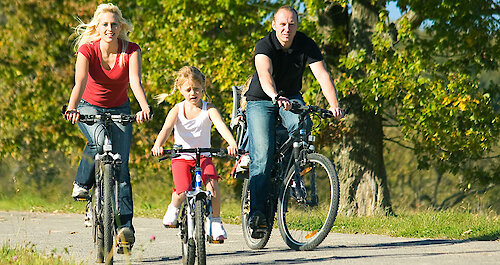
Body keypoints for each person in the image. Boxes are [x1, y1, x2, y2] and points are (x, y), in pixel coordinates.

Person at [244, 6, 344, 237]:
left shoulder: (306, 45)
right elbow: (264, 74)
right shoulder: (264, 45)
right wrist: (274, 96)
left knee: (304, 125)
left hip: (290, 97)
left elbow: (322, 75)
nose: (286, 29)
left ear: (297, 26)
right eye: (282, 24)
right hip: (261, 99)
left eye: (291, 24)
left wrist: (334, 105)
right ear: (274, 25)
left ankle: (291, 172)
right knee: (262, 154)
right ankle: (257, 213)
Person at [64, 3, 151, 250]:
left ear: (121, 26)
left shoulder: (131, 50)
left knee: (121, 168)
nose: (110, 28)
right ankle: (82, 183)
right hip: (88, 106)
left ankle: (125, 228)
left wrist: (144, 107)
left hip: (120, 109)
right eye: (105, 24)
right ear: (97, 27)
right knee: (98, 141)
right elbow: (79, 82)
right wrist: (72, 108)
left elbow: (135, 81)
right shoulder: (87, 50)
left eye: (114, 24)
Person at [151, 66, 238, 241]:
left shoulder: (209, 109)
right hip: (181, 157)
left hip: (204, 156)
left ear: (203, 88)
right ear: (181, 90)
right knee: (182, 191)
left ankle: (215, 221)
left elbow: (221, 126)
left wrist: (232, 143)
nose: (193, 93)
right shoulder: (177, 109)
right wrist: (158, 145)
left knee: (212, 186)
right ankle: (174, 208)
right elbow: (166, 129)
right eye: (188, 89)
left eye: (196, 89)